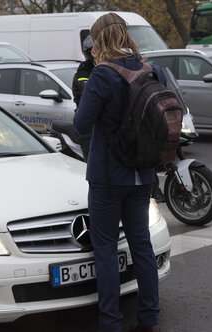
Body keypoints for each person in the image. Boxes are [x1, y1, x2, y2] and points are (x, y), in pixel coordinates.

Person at [73, 13, 165, 332]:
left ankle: (110, 322)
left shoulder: (102, 75)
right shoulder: (152, 69)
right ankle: (149, 319)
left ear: (99, 41)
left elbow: (81, 123)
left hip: (109, 176)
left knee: (106, 249)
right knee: (141, 245)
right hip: (144, 173)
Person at [72, 35, 94, 161]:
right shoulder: (84, 70)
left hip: (98, 123)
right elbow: (89, 93)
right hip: (86, 124)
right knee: (92, 163)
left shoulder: (101, 67)